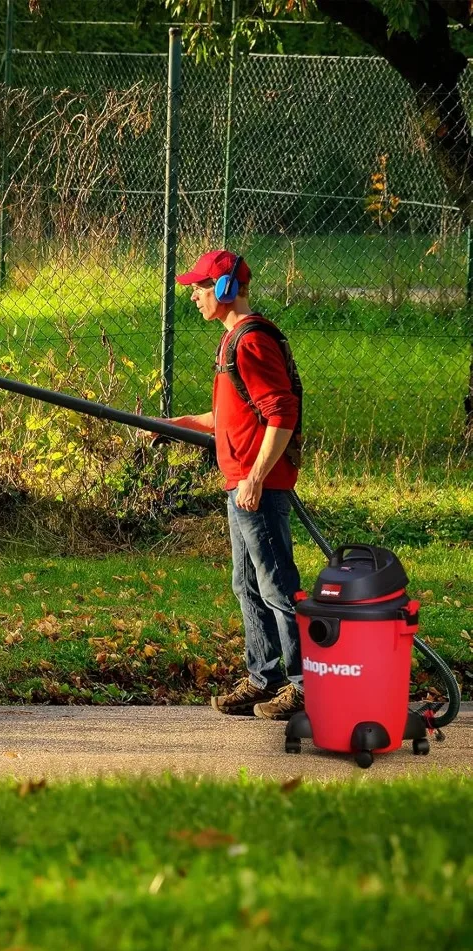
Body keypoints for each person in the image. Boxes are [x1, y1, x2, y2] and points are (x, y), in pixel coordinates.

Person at [161, 249, 304, 721]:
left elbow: (282, 413)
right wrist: (172, 423)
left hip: (255, 485)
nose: (195, 296)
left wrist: (256, 478)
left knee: (277, 584)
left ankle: (304, 684)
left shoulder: (250, 342)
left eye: (200, 288)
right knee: (246, 584)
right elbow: (229, 416)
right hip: (241, 482)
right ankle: (265, 678)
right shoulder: (231, 343)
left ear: (224, 289)